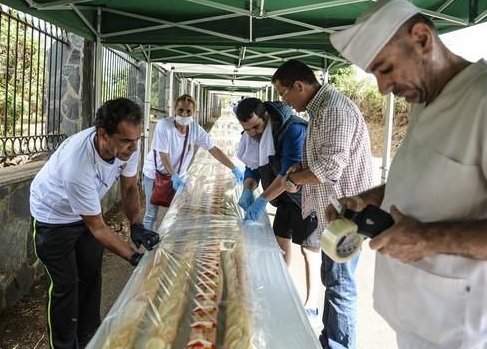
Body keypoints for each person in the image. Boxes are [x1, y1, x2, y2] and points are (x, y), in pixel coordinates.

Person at [328, 0, 487, 349]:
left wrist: (431, 238)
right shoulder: (426, 101)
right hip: (424, 327)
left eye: (386, 68)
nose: (381, 88)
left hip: (478, 337)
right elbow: (436, 184)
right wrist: (371, 198)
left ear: (422, 38)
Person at [30, 98, 160, 349]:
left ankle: (90, 339)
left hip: (85, 215)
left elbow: (130, 186)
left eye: (136, 140)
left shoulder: (126, 146)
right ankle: (64, 345)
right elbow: (98, 227)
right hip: (53, 219)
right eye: (125, 141)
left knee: (90, 277)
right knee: (65, 286)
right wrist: (134, 257)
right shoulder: (78, 164)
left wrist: (136, 225)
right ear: (103, 134)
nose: (133, 148)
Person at [271, 60, 374, 349]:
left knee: (341, 286)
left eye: (284, 94)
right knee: (333, 280)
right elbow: (320, 157)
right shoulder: (320, 109)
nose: (285, 102)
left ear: (299, 86)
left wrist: (297, 180)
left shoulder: (333, 109)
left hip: (348, 214)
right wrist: (300, 168)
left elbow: (329, 168)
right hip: (335, 214)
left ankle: (340, 344)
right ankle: (330, 340)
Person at [234, 97, 321, 318]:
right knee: (280, 243)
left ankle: (311, 303)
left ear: (266, 116)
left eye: (256, 127)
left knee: (309, 249)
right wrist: (247, 189)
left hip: (305, 197)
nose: (253, 134)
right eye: (247, 129)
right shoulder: (251, 136)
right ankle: (281, 285)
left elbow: (287, 174)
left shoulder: (291, 130)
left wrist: (262, 199)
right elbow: (252, 169)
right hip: (283, 199)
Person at [142, 94, 244, 229]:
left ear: (194, 112)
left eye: (188, 111)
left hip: (178, 176)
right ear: (174, 110)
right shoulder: (164, 126)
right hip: (155, 174)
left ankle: (168, 243)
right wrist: (174, 176)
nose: (184, 114)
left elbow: (213, 149)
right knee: (151, 212)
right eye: (180, 110)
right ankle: (148, 247)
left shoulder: (195, 129)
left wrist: (233, 168)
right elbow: (163, 155)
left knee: (178, 211)